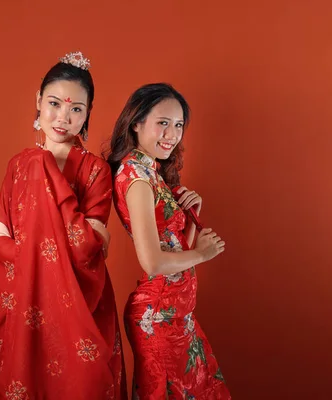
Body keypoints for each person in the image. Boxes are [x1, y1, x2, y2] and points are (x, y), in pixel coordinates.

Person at [0, 52, 126, 399]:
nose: (63, 117)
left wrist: (45, 170)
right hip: (27, 297)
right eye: (54, 104)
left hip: (80, 302)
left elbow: (86, 247)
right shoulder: (20, 165)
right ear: (38, 100)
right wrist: (33, 258)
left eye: (76, 109)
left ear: (87, 114)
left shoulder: (95, 170)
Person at [106, 83, 231, 399]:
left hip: (177, 315)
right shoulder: (136, 178)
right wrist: (203, 254)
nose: (172, 134)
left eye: (178, 125)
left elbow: (171, 249)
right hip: (158, 316)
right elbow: (154, 262)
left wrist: (190, 219)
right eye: (163, 122)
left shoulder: (151, 173)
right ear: (137, 123)